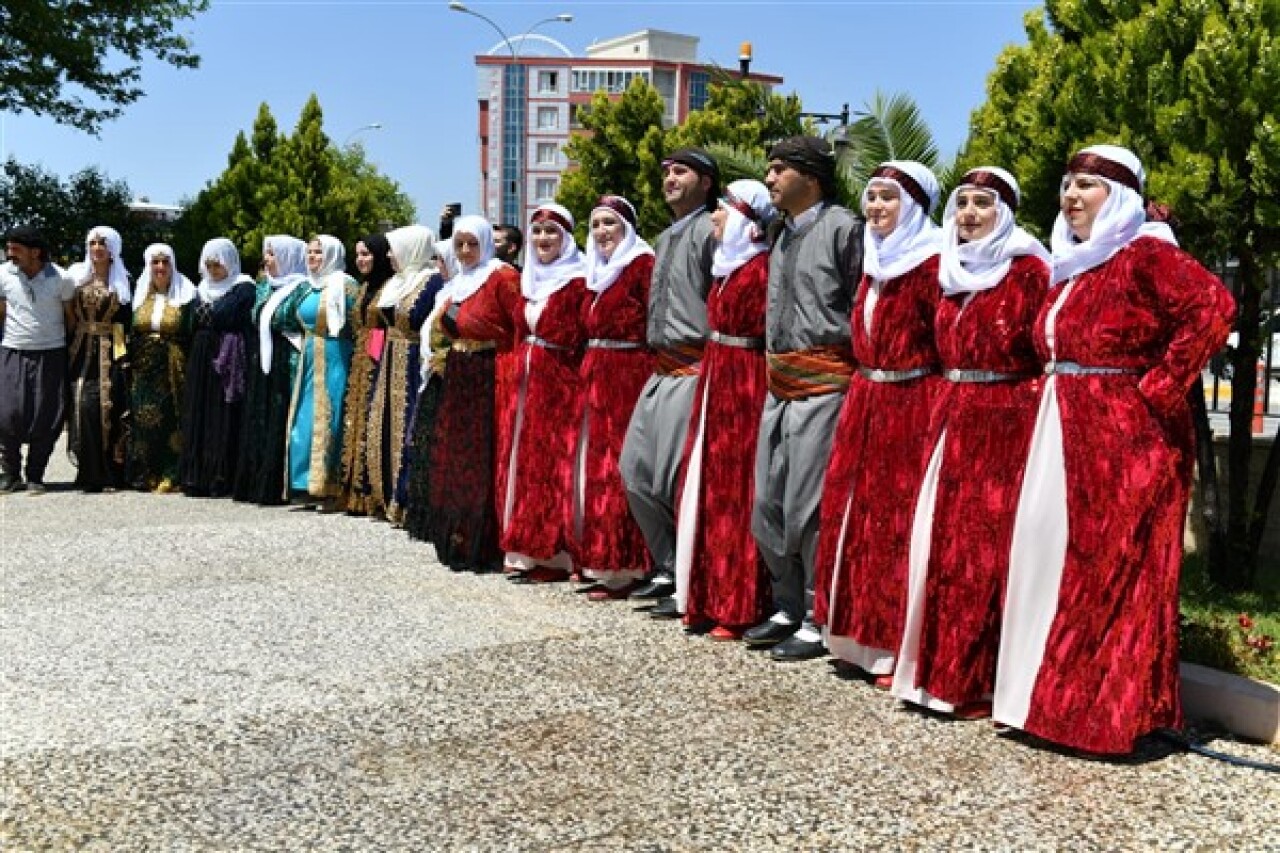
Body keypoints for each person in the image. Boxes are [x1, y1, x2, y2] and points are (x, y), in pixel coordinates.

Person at [993, 144, 1234, 755]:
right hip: (1063, 424)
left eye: (1087, 187)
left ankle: (1095, 716)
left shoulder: (1144, 255)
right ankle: (1040, 700)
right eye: (1068, 186)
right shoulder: (1074, 263)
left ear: (1120, 199)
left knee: (1106, 572)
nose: (1071, 197)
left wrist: (1158, 386)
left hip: (1122, 436)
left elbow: (1213, 307)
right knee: (1053, 558)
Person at [889, 168, 1051, 717]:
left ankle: (974, 681)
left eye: (983, 204)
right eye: (963, 204)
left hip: (1004, 421)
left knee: (981, 553)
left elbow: (1042, 350)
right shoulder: (949, 271)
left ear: (1005, 211)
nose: (970, 215)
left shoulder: (1029, 270)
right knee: (937, 544)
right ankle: (930, 673)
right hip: (951, 412)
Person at [813, 160, 943, 672]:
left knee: (895, 525)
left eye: (888, 197)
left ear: (913, 205)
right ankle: (852, 637)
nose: (875, 208)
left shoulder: (933, 262)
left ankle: (892, 646)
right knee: (852, 519)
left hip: (911, 403)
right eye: (872, 197)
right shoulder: (873, 260)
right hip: (866, 398)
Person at [742, 137, 863, 661]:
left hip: (826, 387)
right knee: (768, 500)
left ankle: (817, 615)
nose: (769, 179)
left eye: (778, 170)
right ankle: (785, 604)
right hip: (778, 387)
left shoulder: (844, 229)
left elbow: (860, 307)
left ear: (810, 177)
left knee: (807, 508)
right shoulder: (780, 234)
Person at [671, 180, 776, 637]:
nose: (714, 217)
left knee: (737, 489)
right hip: (718, 373)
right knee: (709, 485)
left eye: (722, 210)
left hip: (745, 379)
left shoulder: (762, 269)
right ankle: (705, 593)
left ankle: (739, 601)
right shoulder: (726, 267)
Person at [619, 148, 719, 609]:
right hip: (659, 367)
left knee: (674, 478)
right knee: (634, 472)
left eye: (680, 171)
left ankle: (686, 575)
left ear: (705, 180)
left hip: (694, 366)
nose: (670, 178)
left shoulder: (712, 229)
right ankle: (665, 567)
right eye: (666, 172)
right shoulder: (663, 237)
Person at [423, 215, 521, 570]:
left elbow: (518, 327)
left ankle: (484, 541)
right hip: (460, 371)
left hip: (488, 370)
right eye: (459, 244)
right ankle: (456, 533)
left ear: (486, 243)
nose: (465, 251)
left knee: (483, 454)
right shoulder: (458, 284)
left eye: (472, 244)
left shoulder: (502, 277)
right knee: (458, 455)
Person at [498, 204, 589, 580]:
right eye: (536, 232)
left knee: (556, 464)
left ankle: (559, 553)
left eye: (551, 231)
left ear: (566, 237)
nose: (542, 239)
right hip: (527, 381)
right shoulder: (528, 280)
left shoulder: (580, 279)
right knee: (527, 464)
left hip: (561, 381)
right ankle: (528, 549)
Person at [574, 196, 656, 596]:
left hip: (628, 373)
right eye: (596, 225)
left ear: (628, 227)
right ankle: (597, 558)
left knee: (618, 468)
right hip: (597, 373)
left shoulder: (641, 265)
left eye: (611, 223)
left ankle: (626, 562)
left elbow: (653, 320)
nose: (603, 232)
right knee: (594, 467)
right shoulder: (595, 273)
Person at [361, 224, 442, 523]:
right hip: (387, 361)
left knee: (408, 426)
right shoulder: (397, 281)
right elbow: (381, 325)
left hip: (411, 362)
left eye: (396, 249)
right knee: (380, 423)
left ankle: (405, 500)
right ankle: (381, 496)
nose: (391, 255)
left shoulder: (431, 282)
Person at [233, 235, 309, 505]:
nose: (266, 259)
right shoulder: (265, 286)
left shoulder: (302, 288)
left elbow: (292, 321)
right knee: (260, 415)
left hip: (287, 358)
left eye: (272, 254)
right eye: (266, 254)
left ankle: (280, 482)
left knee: (281, 415)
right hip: (263, 359)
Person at [0, 226, 76, 494]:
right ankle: (10, 473)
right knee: (7, 414)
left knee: (46, 415)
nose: (11, 254)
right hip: (12, 350)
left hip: (50, 352)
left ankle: (35, 475)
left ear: (36, 252)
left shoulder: (61, 279)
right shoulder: (3, 274)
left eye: (16, 249)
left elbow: (71, 318)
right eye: (9, 248)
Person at [286, 235, 358, 505]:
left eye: (318, 252)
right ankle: (303, 481)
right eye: (310, 252)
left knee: (331, 414)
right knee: (305, 417)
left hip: (335, 354)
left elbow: (358, 322)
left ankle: (330, 484)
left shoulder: (345, 285)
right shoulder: (308, 286)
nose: (312, 257)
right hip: (309, 357)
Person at [180, 238, 255, 497]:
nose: (213, 269)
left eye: (218, 263)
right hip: (202, 354)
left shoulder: (243, 287)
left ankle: (221, 476)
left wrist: (208, 315)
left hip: (227, 355)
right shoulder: (200, 288)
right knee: (200, 410)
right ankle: (197, 475)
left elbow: (224, 315)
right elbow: (194, 320)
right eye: (209, 264)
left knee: (223, 412)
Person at [66, 226, 133, 491]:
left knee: (111, 408)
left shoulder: (125, 281)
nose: (96, 248)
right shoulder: (75, 277)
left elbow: (127, 321)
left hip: (111, 349)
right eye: (92, 243)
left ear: (113, 249)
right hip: (80, 350)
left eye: (102, 243)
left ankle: (111, 471)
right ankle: (88, 472)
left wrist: (125, 355)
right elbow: (67, 314)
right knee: (83, 405)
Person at [128, 243, 197, 492]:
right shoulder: (139, 296)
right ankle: (145, 471)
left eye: (165, 262)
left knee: (170, 418)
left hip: (172, 365)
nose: (160, 268)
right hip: (143, 367)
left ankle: (172, 472)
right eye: (155, 262)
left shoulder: (186, 295)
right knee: (143, 419)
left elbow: (190, 330)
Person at [336, 233, 394, 514]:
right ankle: (354, 491)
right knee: (355, 421)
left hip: (379, 359)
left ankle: (373, 492)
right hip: (359, 360)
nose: (361, 260)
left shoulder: (390, 287)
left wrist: (374, 358)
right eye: (358, 254)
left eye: (367, 254)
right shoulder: (363, 287)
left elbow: (383, 328)